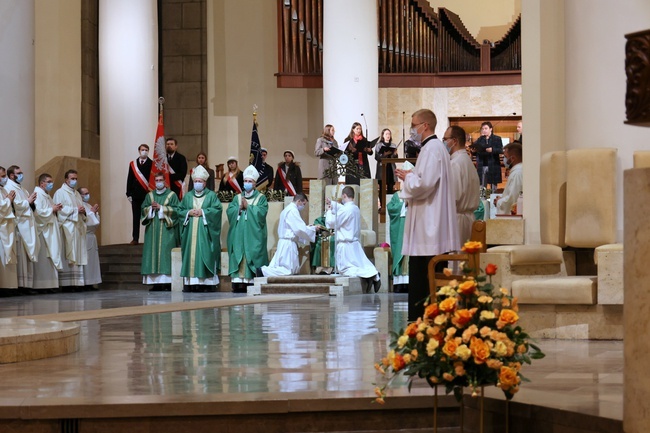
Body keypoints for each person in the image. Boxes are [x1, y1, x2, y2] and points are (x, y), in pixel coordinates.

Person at [395, 109, 459, 321]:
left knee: (423, 274)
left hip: (428, 225)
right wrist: (413, 175)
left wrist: (408, 179)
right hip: (430, 221)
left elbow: (425, 184)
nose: (412, 129)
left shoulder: (431, 149)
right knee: (429, 272)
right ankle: (431, 319)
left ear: (425, 126)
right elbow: (427, 178)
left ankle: (421, 321)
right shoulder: (434, 148)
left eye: (414, 124)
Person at [325, 186, 381, 293]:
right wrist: (332, 203)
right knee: (360, 264)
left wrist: (328, 211)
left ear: (344, 195)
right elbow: (342, 209)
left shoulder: (347, 210)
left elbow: (332, 223)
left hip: (347, 246)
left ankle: (372, 275)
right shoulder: (355, 208)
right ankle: (373, 276)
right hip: (354, 244)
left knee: (347, 270)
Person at [179, 165, 222, 293]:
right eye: (196, 181)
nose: (198, 183)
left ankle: (207, 284)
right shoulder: (187, 196)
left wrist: (203, 212)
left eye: (200, 181)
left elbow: (217, 210)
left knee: (206, 253)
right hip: (190, 232)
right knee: (190, 255)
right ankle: (191, 283)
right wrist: (189, 212)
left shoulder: (211, 196)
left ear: (205, 182)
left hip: (205, 233)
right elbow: (179, 211)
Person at [227, 165, 269, 293]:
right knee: (238, 251)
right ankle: (238, 283)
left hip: (253, 235)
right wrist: (239, 208)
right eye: (245, 181)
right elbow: (230, 212)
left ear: (255, 184)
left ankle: (251, 281)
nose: (247, 183)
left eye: (250, 181)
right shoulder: (237, 198)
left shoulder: (261, 198)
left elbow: (262, 214)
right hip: (239, 233)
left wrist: (249, 208)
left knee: (252, 252)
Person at [141, 172, 180, 292]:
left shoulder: (172, 195)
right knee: (153, 254)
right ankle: (155, 284)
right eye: (156, 180)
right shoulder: (150, 196)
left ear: (165, 181)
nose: (158, 182)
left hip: (167, 230)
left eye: (160, 180)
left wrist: (162, 208)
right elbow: (143, 209)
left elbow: (178, 210)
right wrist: (150, 209)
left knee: (165, 254)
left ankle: (167, 283)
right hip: (153, 229)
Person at [261, 193, 315, 277]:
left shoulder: (287, 209)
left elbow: (293, 227)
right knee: (287, 270)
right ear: (299, 201)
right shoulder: (292, 210)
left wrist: (308, 228)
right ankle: (262, 271)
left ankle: (263, 271)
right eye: (303, 204)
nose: (303, 207)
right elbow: (299, 229)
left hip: (285, 242)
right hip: (288, 243)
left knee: (290, 268)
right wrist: (313, 229)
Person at [5, 165, 39, 292]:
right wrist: (28, 202)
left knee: (27, 256)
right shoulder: (9, 187)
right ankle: (20, 285)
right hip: (19, 226)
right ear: (12, 175)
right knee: (21, 257)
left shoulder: (23, 189)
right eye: (19, 173)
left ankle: (27, 285)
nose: (21, 175)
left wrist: (32, 203)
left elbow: (28, 205)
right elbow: (14, 205)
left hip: (27, 225)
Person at [444, 125, 480, 245]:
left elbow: (453, 196)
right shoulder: (466, 160)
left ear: (454, 141)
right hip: (468, 219)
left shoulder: (455, 164)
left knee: (456, 260)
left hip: (456, 220)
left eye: (445, 139)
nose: (443, 142)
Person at [54, 169, 87, 290]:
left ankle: (77, 283)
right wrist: (75, 210)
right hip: (67, 227)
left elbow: (80, 208)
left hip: (77, 226)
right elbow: (59, 209)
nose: (74, 181)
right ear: (66, 179)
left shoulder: (77, 194)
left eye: (76, 179)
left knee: (77, 253)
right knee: (69, 253)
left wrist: (82, 211)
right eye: (72, 179)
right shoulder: (60, 192)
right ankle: (67, 284)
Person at [33, 173, 63, 292]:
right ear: (42, 183)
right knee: (44, 259)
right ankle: (42, 285)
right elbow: (38, 214)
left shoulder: (47, 195)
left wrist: (55, 208)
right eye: (49, 182)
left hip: (50, 230)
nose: (51, 184)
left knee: (50, 258)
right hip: (43, 232)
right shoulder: (37, 195)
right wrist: (52, 209)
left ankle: (50, 285)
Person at [126, 144, 152, 245]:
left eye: (146, 150)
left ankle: (148, 238)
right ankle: (135, 238)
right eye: (142, 150)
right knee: (135, 217)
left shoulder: (152, 164)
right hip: (135, 195)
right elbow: (130, 179)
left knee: (148, 217)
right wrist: (128, 193)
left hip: (146, 195)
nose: (144, 151)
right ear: (139, 151)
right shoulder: (133, 164)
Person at [386, 183, 409, 293]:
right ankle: (399, 283)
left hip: (412, 229)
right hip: (399, 229)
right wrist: (404, 204)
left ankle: (409, 282)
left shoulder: (416, 194)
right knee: (400, 251)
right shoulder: (397, 195)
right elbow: (390, 208)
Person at [78, 186, 101, 289]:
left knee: (92, 262)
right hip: (85, 236)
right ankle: (85, 283)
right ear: (80, 195)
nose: (87, 195)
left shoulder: (88, 205)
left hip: (92, 236)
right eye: (85, 193)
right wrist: (91, 213)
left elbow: (96, 223)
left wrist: (95, 213)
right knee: (86, 262)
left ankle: (91, 282)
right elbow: (85, 222)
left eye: (88, 193)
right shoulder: (80, 206)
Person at [472, 121, 503, 192]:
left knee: (493, 188)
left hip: (493, 164)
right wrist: (473, 151)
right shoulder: (480, 139)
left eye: (486, 128)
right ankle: (483, 201)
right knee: (482, 188)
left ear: (491, 129)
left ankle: (493, 201)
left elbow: (500, 150)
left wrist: (492, 150)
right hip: (482, 165)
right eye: (483, 129)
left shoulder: (497, 138)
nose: (484, 130)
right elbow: (476, 150)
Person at [0, 167, 18, 291]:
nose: (4, 178)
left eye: (4, 175)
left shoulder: (2, 190)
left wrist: (9, 201)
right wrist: (8, 200)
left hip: (6, 227)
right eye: (2, 176)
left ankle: (8, 286)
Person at [496, 142, 523, 215]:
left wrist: (499, 201)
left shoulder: (517, 173)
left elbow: (513, 198)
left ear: (513, 158)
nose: (504, 159)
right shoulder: (518, 170)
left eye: (505, 156)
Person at [375, 128, 398, 207]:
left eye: (389, 134)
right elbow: (376, 157)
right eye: (386, 134)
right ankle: (382, 206)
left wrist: (395, 154)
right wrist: (384, 155)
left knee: (391, 187)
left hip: (390, 168)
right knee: (382, 188)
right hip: (382, 169)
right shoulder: (379, 145)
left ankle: (390, 206)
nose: (388, 136)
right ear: (383, 135)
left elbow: (395, 158)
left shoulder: (393, 145)